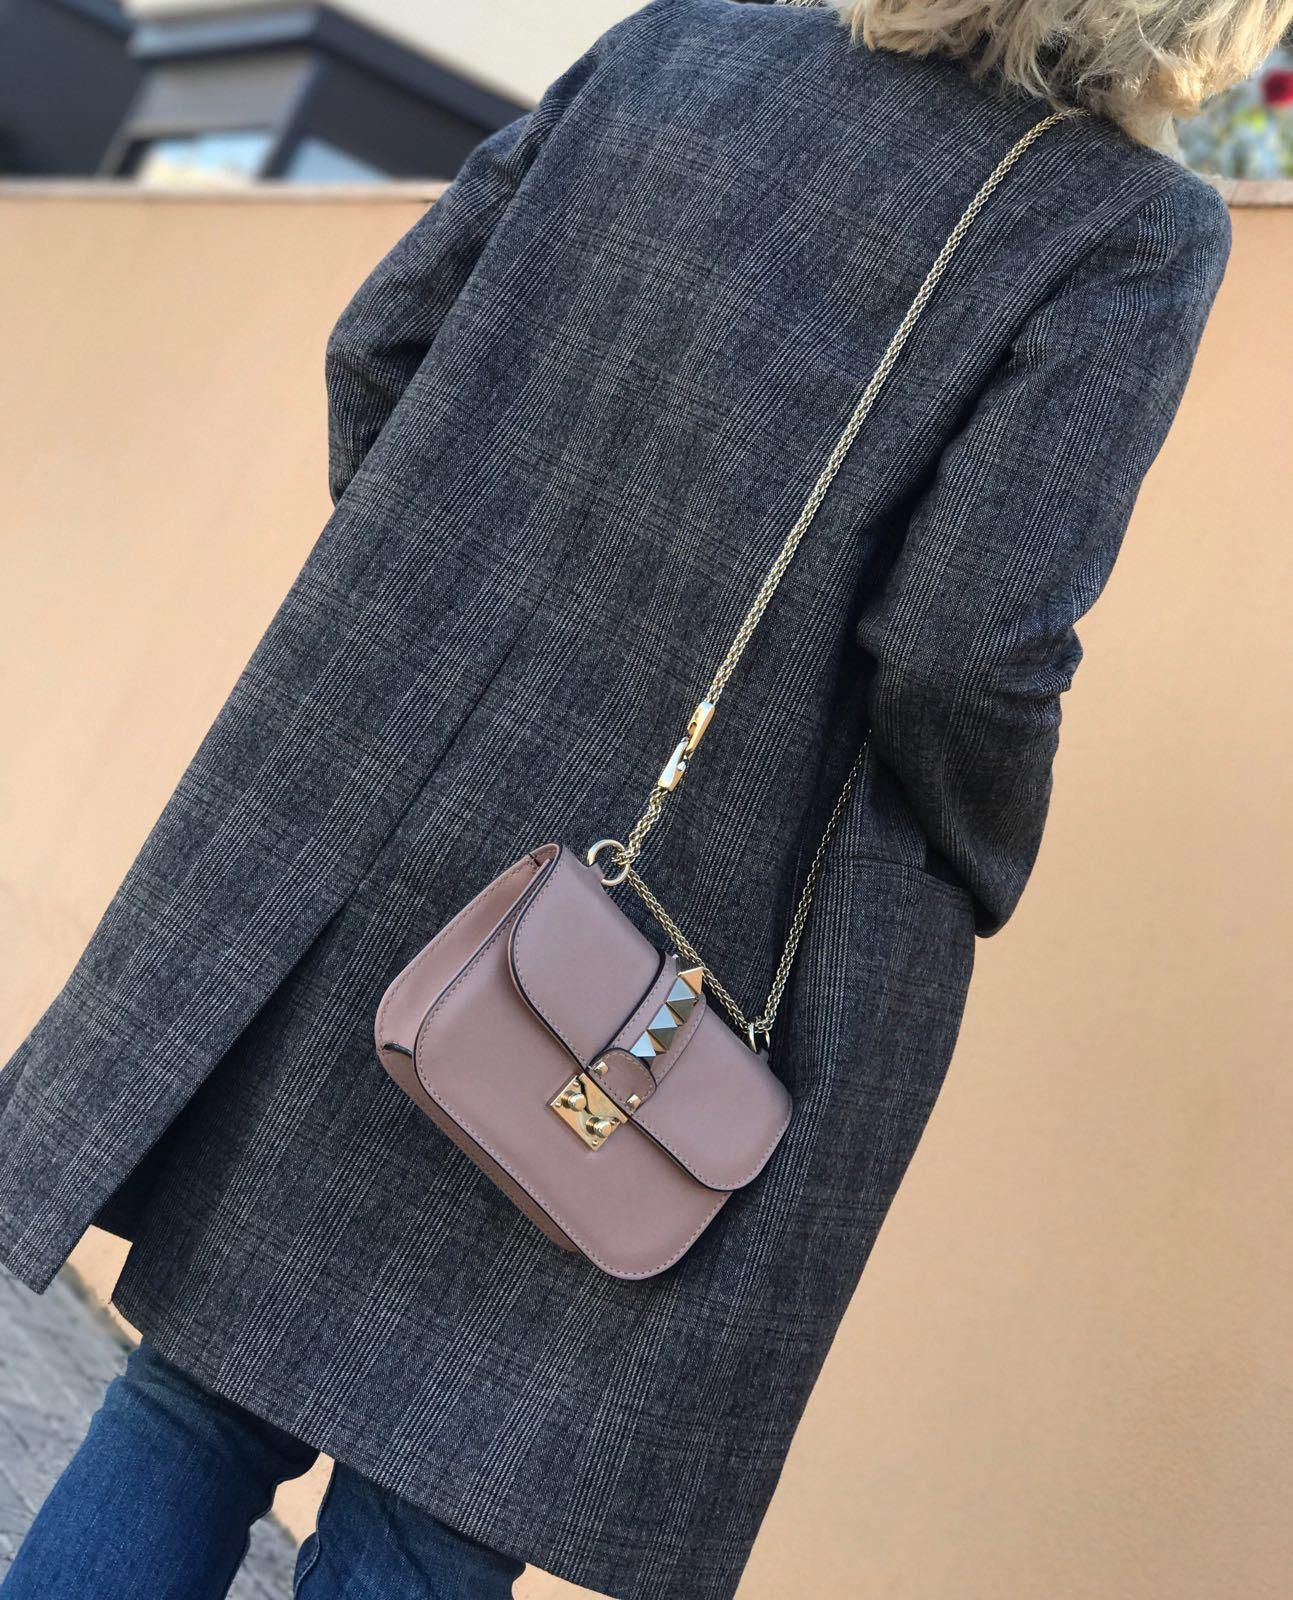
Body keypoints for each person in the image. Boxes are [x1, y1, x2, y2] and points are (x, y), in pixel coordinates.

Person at [1, 1, 1284, 1597]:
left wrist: (444, 598)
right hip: (687, 966)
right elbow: (967, 645)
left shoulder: (673, 49)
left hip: (387, 836)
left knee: (197, 1402)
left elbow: (384, 344)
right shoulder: (1124, 227)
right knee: (440, 1507)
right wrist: (982, 848)